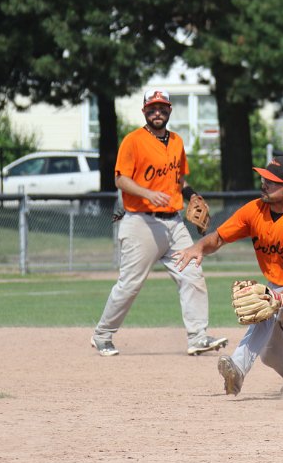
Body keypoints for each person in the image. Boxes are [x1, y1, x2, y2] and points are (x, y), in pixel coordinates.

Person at [172, 155, 283, 397]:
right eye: (264, 178)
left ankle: (237, 368)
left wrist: (278, 298)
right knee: (271, 353)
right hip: (277, 286)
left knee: (264, 304)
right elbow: (219, 238)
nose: (264, 184)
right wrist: (199, 247)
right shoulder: (255, 210)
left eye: (272, 182)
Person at [91, 89, 226, 357]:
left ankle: (198, 337)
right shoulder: (133, 141)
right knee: (130, 285)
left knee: (192, 274)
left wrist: (191, 195)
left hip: (174, 223)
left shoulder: (176, 141)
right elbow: (120, 179)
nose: (157, 112)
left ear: (169, 110)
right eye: (152, 108)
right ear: (144, 111)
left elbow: (179, 179)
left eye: (162, 107)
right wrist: (147, 193)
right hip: (141, 222)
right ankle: (102, 335)